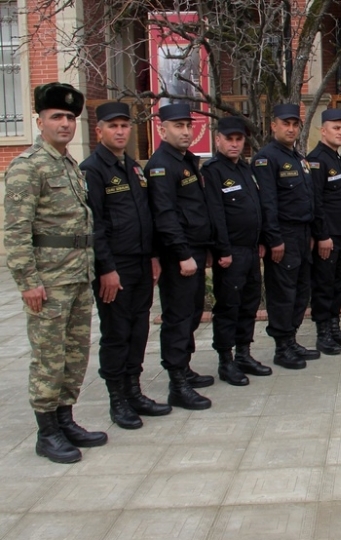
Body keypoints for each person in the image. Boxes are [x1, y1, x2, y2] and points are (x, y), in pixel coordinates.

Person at [4, 83, 107, 463]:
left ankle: (66, 419)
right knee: (48, 355)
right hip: (48, 281)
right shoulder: (28, 167)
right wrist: (28, 281)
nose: (65, 124)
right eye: (57, 117)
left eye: (70, 118)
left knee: (75, 353)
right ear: (40, 121)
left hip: (77, 277)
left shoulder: (69, 165)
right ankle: (47, 432)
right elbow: (16, 230)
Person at [80, 102, 170, 430]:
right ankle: (117, 398)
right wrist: (106, 268)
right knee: (117, 333)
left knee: (138, 328)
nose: (120, 131)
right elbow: (95, 225)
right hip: (114, 267)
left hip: (141, 263)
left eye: (124, 125)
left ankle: (134, 390)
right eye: (113, 126)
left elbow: (147, 217)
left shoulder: (132, 167)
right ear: (99, 130)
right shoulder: (93, 169)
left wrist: (154, 257)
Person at [146, 103, 226, 410]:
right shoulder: (161, 164)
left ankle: (185, 369)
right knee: (178, 318)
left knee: (192, 313)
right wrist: (182, 254)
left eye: (188, 126)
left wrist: (203, 249)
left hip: (194, 250)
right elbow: (165, 215)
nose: (185, 131)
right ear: (161, 129)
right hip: (178, 255)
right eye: (178, 126)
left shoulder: (186, 160)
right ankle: (176, 384)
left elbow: (195, 208)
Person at [202, 116, 273, 383]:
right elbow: (216, 215)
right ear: (217, 139)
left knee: (249, 303)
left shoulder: (244, 169)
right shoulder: (213, 170)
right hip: (230, 252)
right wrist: (222, 250)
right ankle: (226, 360)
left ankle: (244, 353)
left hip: (251, 250)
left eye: (238, 139)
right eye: (229, 139)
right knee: (228, 306)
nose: (234, 144)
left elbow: (257, 207)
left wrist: (262, 241)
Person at [253, 104, 320, 369]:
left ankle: (291, 339)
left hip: (302, 234)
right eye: (286, 124)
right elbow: (267, 203)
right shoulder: (266, 158)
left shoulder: (297, 158)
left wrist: (312, 232)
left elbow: (307, 198)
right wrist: (274, 239)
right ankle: (282, 347)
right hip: (284, 235)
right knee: (283, 292)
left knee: (301, 290)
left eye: (295, 124)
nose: (291, 129)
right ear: (274, 125)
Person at [308, 109, 341, 354]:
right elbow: (315, 202)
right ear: (323, 130)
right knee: (324, 285)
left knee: (337, 283)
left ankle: (335, 327)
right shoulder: (317, 160)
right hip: (327, 237)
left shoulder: (336, 158)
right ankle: (323, 334)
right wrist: (322, 236)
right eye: (336, 128)